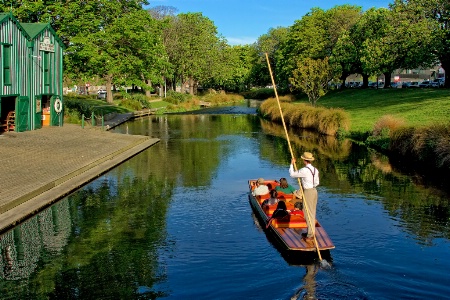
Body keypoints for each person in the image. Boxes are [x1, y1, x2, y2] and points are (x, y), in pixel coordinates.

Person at [289, 152, 319, 242]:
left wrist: (291, 164)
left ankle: (310, 234)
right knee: (312, 212)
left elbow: (292, 174)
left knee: (307, 213)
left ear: (304, 160)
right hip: (314, 191)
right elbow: (317, 183)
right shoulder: (315, 170)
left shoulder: (304, 170)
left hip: (308, 192)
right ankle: (311, 232)